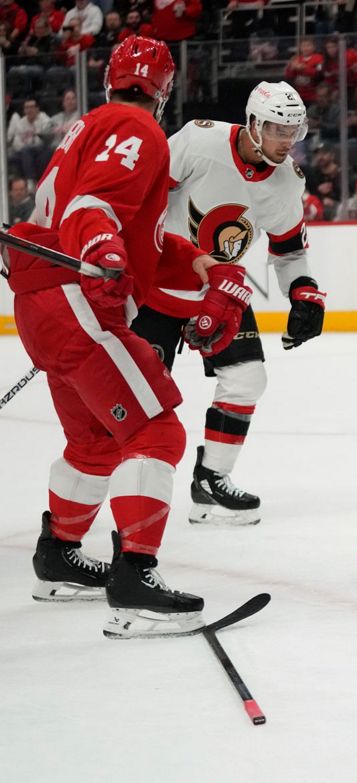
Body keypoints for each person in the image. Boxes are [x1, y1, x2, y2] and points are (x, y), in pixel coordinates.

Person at [6, 37, 243, 637]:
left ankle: (58, 559)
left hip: (47, 301)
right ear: (164, 90)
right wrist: (101, 249)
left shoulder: (96, 123)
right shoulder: (135, 127)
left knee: (96, 443)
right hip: (76, 295)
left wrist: (205, 267)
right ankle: (134, 581)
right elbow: (93, 208)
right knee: (154, 429)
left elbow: (145, 241)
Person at [129, 80, 323, 527]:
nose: (285, 141)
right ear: (253, 123)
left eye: (292, 131)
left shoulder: (286, 183)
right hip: (158, 285)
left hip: (221, 288)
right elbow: (144, 196)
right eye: (276, 129)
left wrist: (303, 292)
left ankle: (211, 481)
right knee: (140, 399)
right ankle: (125, 492)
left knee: (247, 378)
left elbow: (290, 248)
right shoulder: (200, 140)